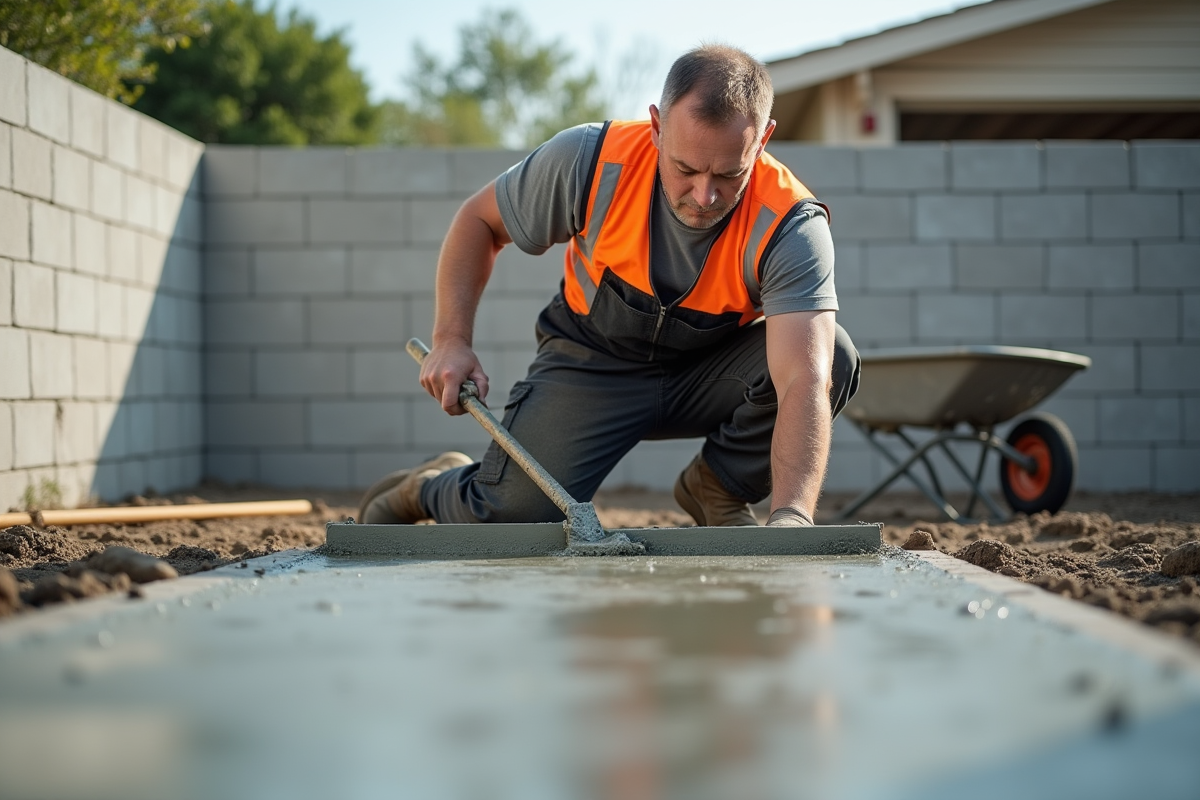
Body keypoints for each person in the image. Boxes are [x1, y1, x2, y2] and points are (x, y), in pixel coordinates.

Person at [358, 44, 860, 529]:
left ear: (763, 139)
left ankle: (718, 488)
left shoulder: (790, 223)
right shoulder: (591, 161)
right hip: (591, 362)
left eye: (729, 173)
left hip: (705, 373)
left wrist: (794, 516)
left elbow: (803, 379)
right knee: (510, 515)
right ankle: (425, 486)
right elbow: (478, 223)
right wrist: (450, 339)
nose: (704, 195)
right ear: (658, 127)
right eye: (685, 168)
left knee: (831, 352)